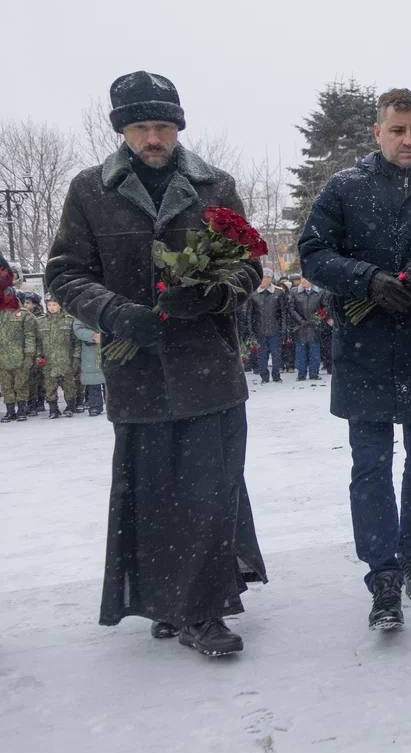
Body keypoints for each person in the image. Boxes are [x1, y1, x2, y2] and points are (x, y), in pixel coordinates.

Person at [45, 70, 266, 655]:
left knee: (210, 489)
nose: (153, 137)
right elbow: (64, 273)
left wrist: (215, 293)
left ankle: (204, 611)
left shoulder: (214, 185)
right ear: (123, 129)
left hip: (208, 368)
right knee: (152, 493)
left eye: (163, 125)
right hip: (138, 371)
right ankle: (166, 602)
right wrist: (116, 313)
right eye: (142, 126)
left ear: (177, 127)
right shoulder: (90, 190)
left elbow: (248, 264)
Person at [300, 88, 411, 630]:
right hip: (364, 351)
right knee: (370, 465)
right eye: (398, 130)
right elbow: (313, 253)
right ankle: (383, 574)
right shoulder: (346, 188)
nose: (408, 140)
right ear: (377, 132)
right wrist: (366, 280)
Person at [0, 277, 36, 422]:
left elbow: (30, 336)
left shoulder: (24, 315)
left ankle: (22, 409)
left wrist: (29, 356)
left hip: (20, 356)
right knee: (6, 386)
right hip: (2, 357)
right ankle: (10, 411)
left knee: (21, 384)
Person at [37, 296, 78, 418]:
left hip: (65, 359)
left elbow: (76, 342)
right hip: (49, 361)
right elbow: (38, 341)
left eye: (54, 305)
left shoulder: (69, 320)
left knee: (69, 385)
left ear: (60, 305)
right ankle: (53, 409)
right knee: (49, 386)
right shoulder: (40, 321)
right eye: (49, 305)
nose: (52, 308)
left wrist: (76, 357)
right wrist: (39, 355)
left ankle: (70, 407)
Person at [249, 273, 288, 383]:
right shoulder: (254, 294)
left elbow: (283, 312)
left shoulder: (279, 292)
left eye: (267, 277)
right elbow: (250, 314)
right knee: (262, 355)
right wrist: (251, 330)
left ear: (271, 279)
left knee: (276, 355)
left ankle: (276, 375)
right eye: (262, 277)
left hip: (275, 330)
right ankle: (264, 377)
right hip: (259, 330)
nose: (264, 280)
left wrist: (284, 329)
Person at [290, 277, 326, 380]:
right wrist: (300, 320)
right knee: (300, 352)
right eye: (302, 279)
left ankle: (314, 373)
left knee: (314, 351)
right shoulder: (294, 292)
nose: (304, 281)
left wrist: (316, 318)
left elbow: (325, 307)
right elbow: (291, 308)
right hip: (300, 327)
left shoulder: (320, 292)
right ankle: (301, 374)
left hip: (314, 327)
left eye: (306, 279)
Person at [72, 318, 106, 416]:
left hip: (109, 346)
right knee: (93, 379)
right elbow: (78, 328)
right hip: (90, 349)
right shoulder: (83, 308)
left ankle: (114, 405)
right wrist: (92, 336)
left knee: (111, 380)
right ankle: (95, 406)